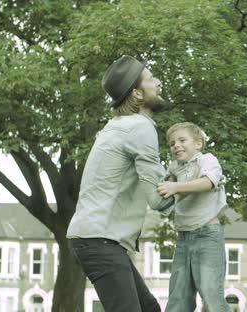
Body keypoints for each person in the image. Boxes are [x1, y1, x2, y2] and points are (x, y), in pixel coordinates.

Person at [67, 55, 173, 312]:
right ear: (136, 93)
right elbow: (158, 199)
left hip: (97, 239)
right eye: (150, 79)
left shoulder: (119, 126)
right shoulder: (140, 127)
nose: (157, 82)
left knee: (149, 309)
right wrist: (197, 179)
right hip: (98, 240)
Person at [157, 122, 230, 312]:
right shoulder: (174, 168)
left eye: (182, 140)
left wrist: (175, 187)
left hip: (207, 235)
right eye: (172, 143)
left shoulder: (207, 160)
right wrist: (169, 183)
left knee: (211, 295)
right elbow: (163, 193)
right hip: (183, 239)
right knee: (178, 298)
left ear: (198, 143)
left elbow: (207, 183)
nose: (176, 146)